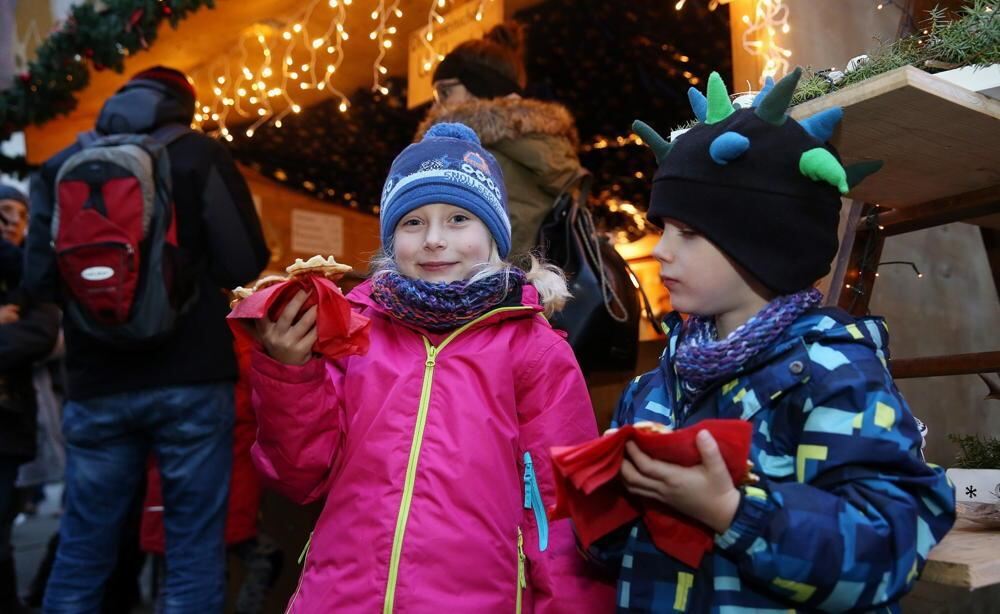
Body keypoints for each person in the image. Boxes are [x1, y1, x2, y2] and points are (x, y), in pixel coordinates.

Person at [586, 69, 956, 611]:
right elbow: (610, 555)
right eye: (663, 226)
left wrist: (733, 513)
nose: (661, 250)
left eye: (688, 233)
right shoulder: (653, 390)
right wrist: (605, 506)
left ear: (762, 242)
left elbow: (888, 549)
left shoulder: (833, 373)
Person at [251, 123, 614, 611]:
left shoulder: (535, 351)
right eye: (413, 222)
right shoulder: (352, 334)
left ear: (494, 234)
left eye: (459, 218)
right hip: (341, 596)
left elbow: (565, 516)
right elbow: (300, 475)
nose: (434, 240)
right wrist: (291, 373)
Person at [23, 66, 270, 613]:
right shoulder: (199, 154)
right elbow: (243, 262)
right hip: (192, 380)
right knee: (192, 551)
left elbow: (37, 281)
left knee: (83, 549)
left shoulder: (62, 164)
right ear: (181, 107)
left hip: (95, 385)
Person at [420, 21, 582, 263]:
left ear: (482, 87)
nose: (436, 105)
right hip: (529, 290)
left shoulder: (472, 156)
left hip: (487, 291)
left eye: (444, 92)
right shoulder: (539, 147)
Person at [0, 183, 61, 613]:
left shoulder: (30, 277)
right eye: (4, 212)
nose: (12, 223)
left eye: (20, 215)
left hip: (9, 422)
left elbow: (40, 335)